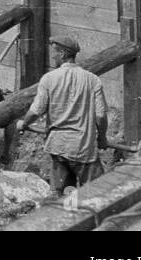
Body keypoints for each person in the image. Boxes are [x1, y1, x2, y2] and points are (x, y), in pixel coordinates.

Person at [17, 35, 109, 197]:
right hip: (83, 147)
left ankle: (70, 216)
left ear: (62, 54)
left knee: (66, 193)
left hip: (58, 148)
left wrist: (23, 124)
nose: (52, 57)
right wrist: (102, 138)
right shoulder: (93, 80)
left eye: (54, 53)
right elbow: (100, 116)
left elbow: (36, 110)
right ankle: (91, 218)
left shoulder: (49, 79)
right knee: (97, 193)